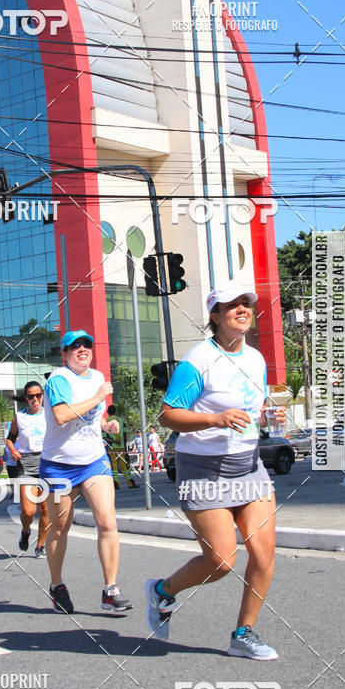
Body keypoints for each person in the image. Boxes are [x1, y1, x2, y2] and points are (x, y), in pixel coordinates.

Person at [145, 282, 286, 660]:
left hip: (248, 467)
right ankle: (162, 591)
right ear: (214, 315)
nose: (242, 309)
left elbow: (247, 411)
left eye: (246, 303)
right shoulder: (198, 360)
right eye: (231, 305)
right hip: (203, 470)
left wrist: (266, 417)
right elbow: (167, 415)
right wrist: (215, 419)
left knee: (264, 553)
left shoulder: (256, 359)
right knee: (222, 560)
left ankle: (244, 633)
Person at [39, 329, 132, 615]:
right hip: (58, 464)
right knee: (59, 528)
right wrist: (98, 396)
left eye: (87, 344)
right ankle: (57, 586)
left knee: (107, 522)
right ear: (65, 354)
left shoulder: (96, 379)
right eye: (75, 345)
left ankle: (111, 589)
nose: (82, 349)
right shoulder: (59, 380)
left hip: (93, 460)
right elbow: (63, 415)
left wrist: (107, 425)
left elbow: (95, 416)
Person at [6, 381, 50, 558]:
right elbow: (9, 439)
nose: (35, 399)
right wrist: (13, 450)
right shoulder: (19, 417)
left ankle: (40, 546)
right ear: (26, 398)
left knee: (46, 509)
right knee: (28, 510)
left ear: (42, 396)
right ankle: (25, 531)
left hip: (47, 462)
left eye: (38, 395)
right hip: (26, 463)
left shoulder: (50, 414)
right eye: (31, 396)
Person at [105, 405, 137, 490]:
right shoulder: (122, 421)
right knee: (124, 466)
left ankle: (116, 484)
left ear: (108, 412)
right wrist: (124, 445)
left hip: (111, 448)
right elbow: (125, 434)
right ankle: (130, 483)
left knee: (114, 467)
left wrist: (113, 441)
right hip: (121, 448)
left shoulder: (105, 423)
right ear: (115, 412)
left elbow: (104, 437)